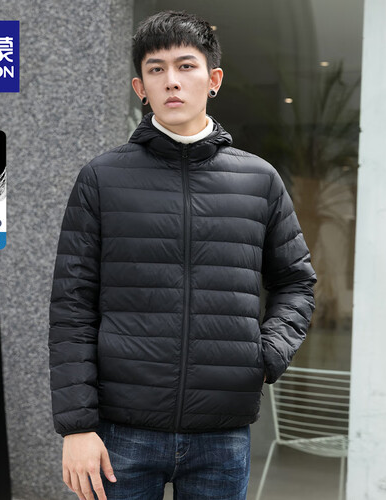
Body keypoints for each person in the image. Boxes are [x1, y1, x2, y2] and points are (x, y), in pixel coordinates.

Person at [48, 9, 316, 500]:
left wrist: (265, 355)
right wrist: (77, 427)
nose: (171, 80)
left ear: (213, 80)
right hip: (121, 433)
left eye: (186, 66)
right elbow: (72, 306)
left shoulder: (259, 180)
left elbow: (296, 282)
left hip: (222, 435)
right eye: (156, 69)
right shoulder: (102, 179)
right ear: (140, 87)